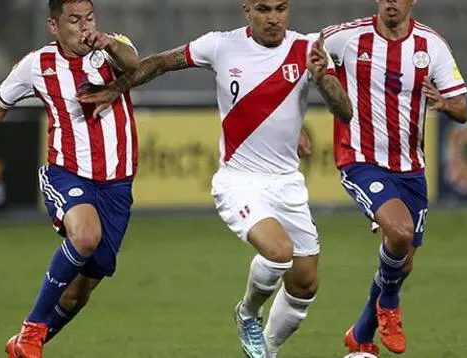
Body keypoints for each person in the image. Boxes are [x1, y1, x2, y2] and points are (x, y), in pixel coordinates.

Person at [77, 1, 352, 356]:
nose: (274, 18)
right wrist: (118, 88)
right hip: (239, 181)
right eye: (264, 9)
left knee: (304, 284)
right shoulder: (220, 45)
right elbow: (161, 62)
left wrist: (323, 79)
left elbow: (344, 112)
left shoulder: (308, 49)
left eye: (281, 8)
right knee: (278, 253)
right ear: (247, 11)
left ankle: (266, 350)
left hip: (287, 182)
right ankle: (248, 313)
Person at [0, 1, 140, 357]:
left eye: (89, 18)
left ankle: (22, 347)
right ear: (54, 26)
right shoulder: (36, 65)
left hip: (117, 185)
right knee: (85, 236)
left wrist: (110, 43)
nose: (84, 27)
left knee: (77, 294)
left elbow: (135, 63)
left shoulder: (113, 49)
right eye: (74, 20)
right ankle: (32, 327)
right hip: (68, 171)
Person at [317, 0, 467, 354]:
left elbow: (462, 107)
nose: (390, 2)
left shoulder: (431, 45)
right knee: (399, 233)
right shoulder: (346, 37)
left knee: (403, 260)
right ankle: (389, 304)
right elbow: (303, 56)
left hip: (411, 168)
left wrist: (446, 105)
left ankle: (361, 336)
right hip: (360, 159)